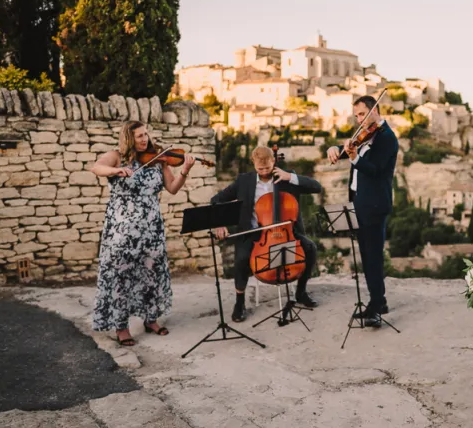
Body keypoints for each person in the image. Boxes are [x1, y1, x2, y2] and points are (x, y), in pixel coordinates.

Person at [90, 120, 195, 346]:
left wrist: (184, 170)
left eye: (146, 134)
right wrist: (117, 170)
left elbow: (173, 188)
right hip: (122, 228)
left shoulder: (158, 159)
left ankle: (151, 319)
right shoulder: (117, 156)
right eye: (139, 136)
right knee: (121, 275)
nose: (145, 139)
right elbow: (97, 167)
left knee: (152, 273)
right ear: (129, 138)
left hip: (151, 227)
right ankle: (121, 327)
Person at [212, 146, 322, 322]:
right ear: (254, 164)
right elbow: (216, 200)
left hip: (286, 232)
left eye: (267, 168)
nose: (264, 172)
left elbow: (317, 187)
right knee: (241, 258)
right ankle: (239, 302)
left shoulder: (286, 178)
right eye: (259, 169)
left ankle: (301, 292)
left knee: (310, 248)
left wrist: (290, 177)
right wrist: (219, 224)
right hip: (254, 233)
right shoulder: (244, 181)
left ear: (274, 161)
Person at [326, 95, 399, 328]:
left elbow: (375, 169)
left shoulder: (387, 138)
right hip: (359, 203)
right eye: (356, 115)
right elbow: (349, 147)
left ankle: (376, 305)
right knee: (367, 256)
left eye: (362, 114)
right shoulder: (363, 134)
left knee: (373, 258)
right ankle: (380, 300)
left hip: (375, 205)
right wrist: (335, 148)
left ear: (375, 110)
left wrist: (354, 157)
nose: (359, 120)